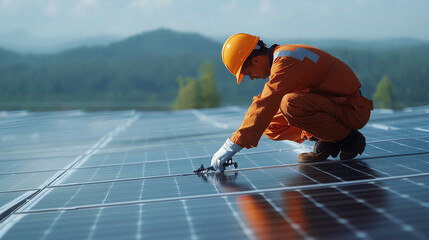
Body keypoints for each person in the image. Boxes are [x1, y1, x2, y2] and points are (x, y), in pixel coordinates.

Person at [211, 33, 373, 172]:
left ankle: (349, 139)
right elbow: (265, 106)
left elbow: (267, 101)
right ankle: (327, 139)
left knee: (290, 104)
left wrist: (232, 145)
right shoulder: (283, 57)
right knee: (270, 123)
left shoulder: (286, 61)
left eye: (248, 73)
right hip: (333, 105)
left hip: (352, 109)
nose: (252, 78)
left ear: (256, 61)